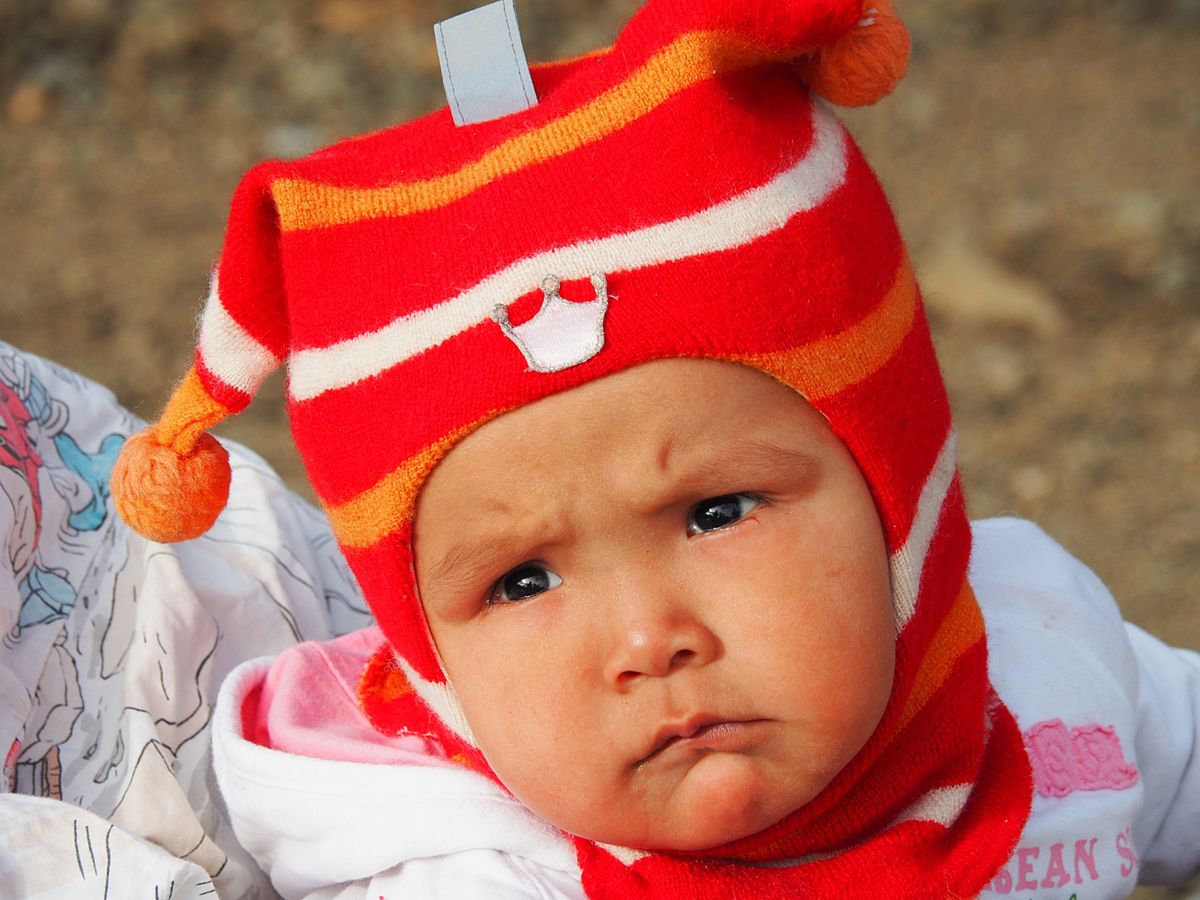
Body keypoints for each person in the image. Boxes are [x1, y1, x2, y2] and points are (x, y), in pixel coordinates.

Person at [109, 0, 1200, 896]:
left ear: (900, 494)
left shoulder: (1042, 655)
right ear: (429, 659)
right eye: (521, 580)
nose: (646, 638)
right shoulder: (434, 858)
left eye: (717, 512)